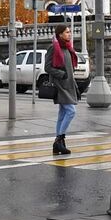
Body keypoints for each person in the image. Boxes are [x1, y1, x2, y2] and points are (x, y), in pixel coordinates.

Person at [47, 25, 80, 156]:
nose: (70, 34)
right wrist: (61, 74)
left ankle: (58, 145)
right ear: (60, 34)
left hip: (69, 85)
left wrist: (75, 85)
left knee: (62, 114)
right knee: (71, 111)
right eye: (67, 32)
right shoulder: (53, 48)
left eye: (70, 32)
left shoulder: (67, 48)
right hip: (60, 85)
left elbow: (70, 70)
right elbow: (47, 67)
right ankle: (59, 139)